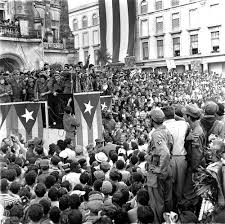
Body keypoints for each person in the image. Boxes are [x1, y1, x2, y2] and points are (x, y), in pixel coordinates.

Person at [146, 108, 173, 223]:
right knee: (168, 200)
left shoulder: (156, 134)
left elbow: (165, 152)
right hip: (167, 169)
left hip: (157, 173)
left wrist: (158, 169)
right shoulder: (166, 131)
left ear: (152, 120)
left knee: (157, 203)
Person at [162, 106, 189, 205]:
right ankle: (180, 207)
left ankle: (171, 209)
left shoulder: (161, 127)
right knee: (180, 187)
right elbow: (184, 121)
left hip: (169, 159)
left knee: (169, 187)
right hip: (182, 158)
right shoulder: (184, 124)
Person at [182, 104, 206, 206]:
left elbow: (196, 156)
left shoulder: (196, 133)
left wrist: (194, 171)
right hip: (194, 167)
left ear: (189, 117)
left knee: (188, 193)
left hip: (194, 168)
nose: (183, 117)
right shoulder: (195, 128)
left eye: (184, 115)